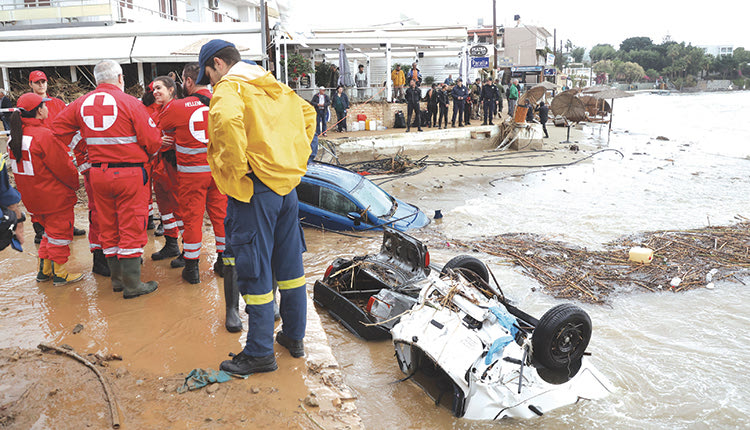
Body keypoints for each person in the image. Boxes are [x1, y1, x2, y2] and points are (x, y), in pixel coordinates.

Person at [197, 39, 314, 374]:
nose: (211, 84)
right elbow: (308, 114)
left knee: (255, 268)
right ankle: (293, 336)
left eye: (209, 76)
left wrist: (236, 174)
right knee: (290, 268)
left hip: (255, 190)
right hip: (286, 188)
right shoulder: (270, 84)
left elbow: (227, 121)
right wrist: (294, 159)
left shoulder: (229, 88)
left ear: (218, 64)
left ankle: (261, 351)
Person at [52, 60, 161, 299]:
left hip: (98, 174)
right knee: (131, 224)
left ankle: (117, 280)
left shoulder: (81, 103)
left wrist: (84, 145)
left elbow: (58, 128)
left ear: (96, 80)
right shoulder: (130, 102)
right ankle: (133, 285)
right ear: (120, 78)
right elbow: (153, 141)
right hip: (130, 174)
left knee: (108, 225)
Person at [153, 75, 227, 285]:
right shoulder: (221, 101)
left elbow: (158, 133)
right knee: (221, 217)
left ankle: (192, 268)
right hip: (219, 173)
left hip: (191, 176)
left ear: (187, 81)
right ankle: (223, 263)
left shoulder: (177, 107)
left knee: (192, 219)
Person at [8, 93, 82, 285]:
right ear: (39, 111)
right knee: (60, 234)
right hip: (54, 196)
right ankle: (60, 273)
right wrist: (75, 184)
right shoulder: (44, 135)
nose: (48, 108)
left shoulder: (15, 137)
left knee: (47, 234)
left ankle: (45, 269)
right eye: (45, 105)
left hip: (32, 197)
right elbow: (63, 167)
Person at [28, 70, 86, 242]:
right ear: (30, 84)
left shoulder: (58, 104)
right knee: (40, 192)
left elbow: (69, 124)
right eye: (37, 82)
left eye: (43, 81)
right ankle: (40, 229)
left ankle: (67, 224)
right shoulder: (29, 103)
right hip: (40, 154)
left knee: (65, 191)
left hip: (59, 153)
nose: (41, 85)